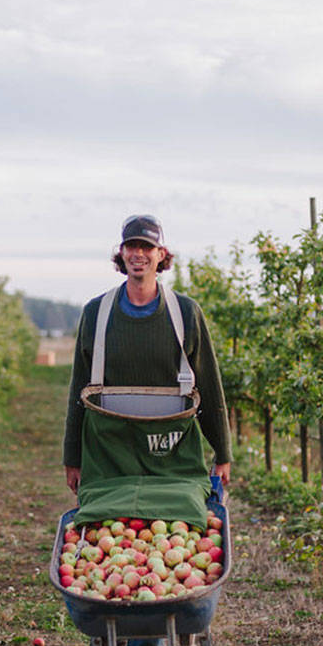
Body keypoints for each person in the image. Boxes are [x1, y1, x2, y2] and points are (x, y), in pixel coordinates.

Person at [62, 213, 232, 497]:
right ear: (121, 253)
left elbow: (210, 387)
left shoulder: (185, 314)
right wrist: (73, 457)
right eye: (131, 246)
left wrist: (222, 452)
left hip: (170, 454)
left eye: (147, 247)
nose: (138, 254)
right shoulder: (96, 314)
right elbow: (79, 389)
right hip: (109, 455)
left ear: (161, 254)